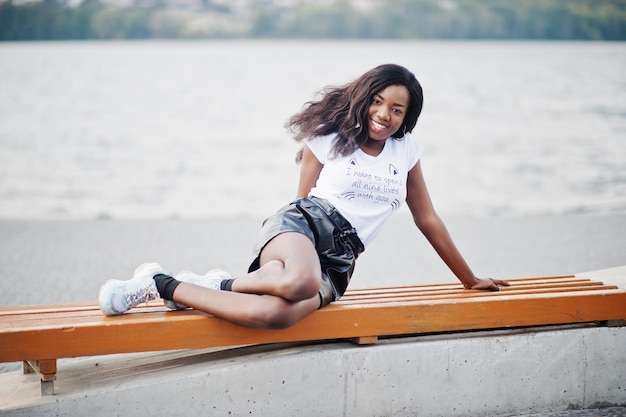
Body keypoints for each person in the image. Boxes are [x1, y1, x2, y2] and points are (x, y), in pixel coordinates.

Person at [98, 63, 509, 328]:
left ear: (407, 117)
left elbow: (428, 219)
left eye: (397, 109)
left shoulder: (406, 153)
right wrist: (291, 248)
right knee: (297, 278)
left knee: (274, 315)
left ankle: (164, 284)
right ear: (365, 99)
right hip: (304, 224)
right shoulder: (330, 139)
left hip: (341, 261)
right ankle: (220, 282)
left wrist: (469, 279)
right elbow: (301, 201)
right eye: (378, 102)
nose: (384, 114)